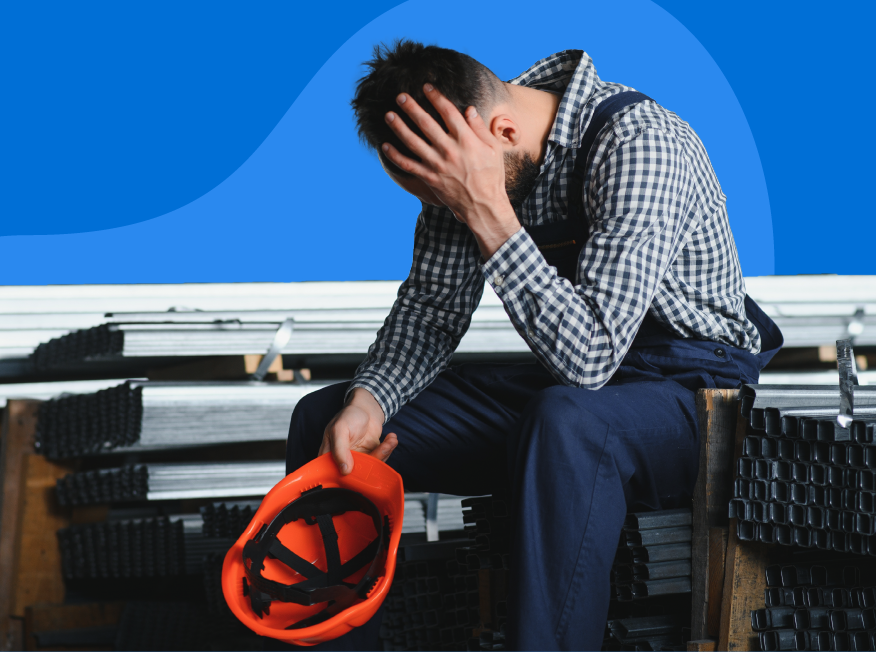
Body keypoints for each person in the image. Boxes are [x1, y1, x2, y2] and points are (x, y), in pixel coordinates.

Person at [285, 41, 782, 651]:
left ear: (500, 129)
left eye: (446, 193)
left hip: (689, 395)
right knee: (324, 422)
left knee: (567, 420)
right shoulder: (464, 155)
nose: (446, 207)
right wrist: (370, 401)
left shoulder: (643, 144)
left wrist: (486, 206)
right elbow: (431, 310)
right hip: (572, 394)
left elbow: (590, 356)